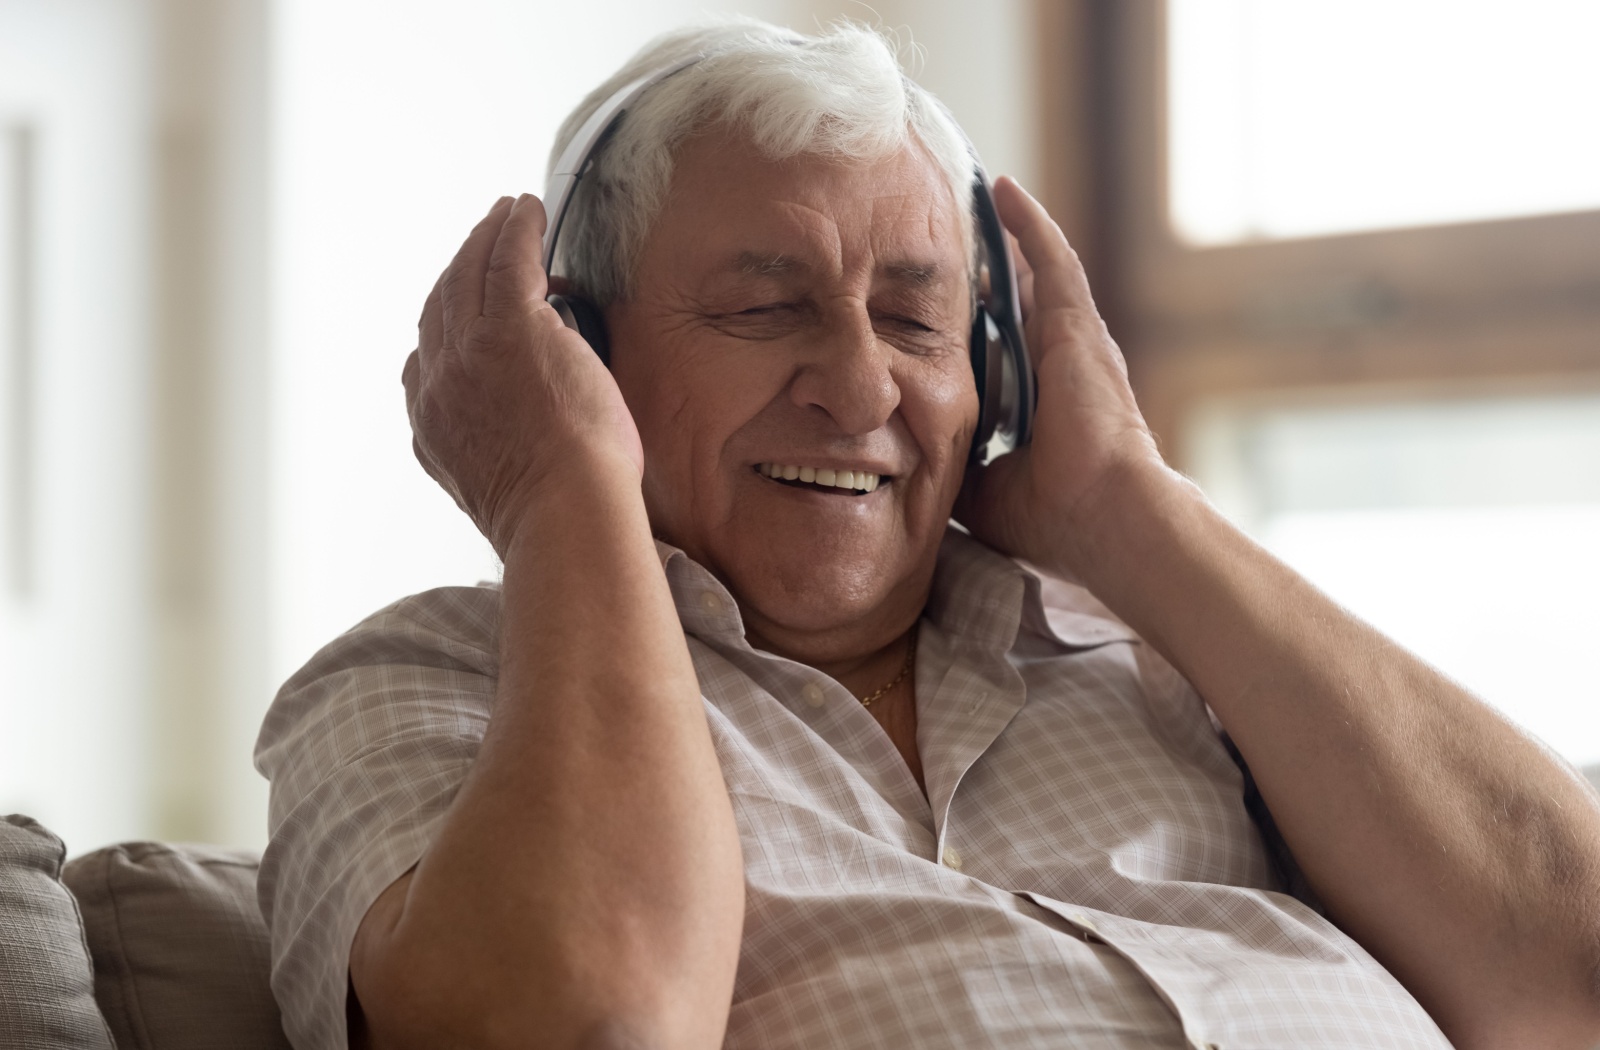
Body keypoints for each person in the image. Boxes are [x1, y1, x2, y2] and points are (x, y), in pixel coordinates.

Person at [255, 19, 1600, 1050]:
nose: (860, 385)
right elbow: (584, 1025)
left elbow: (1570, 975)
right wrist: (562, 492)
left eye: (914, 320)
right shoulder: (425, 686)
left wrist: (1128, 504)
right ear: (581, 351)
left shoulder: (1175, 657)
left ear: (998, 374)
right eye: (763, 307)